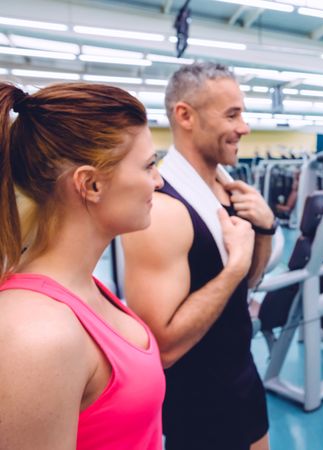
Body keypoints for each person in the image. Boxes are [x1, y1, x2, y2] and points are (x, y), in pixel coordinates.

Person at [0, 82, 165, 449]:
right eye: (149, 166)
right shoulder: (36, 337)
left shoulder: (83, 287)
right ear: (90, 185)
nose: (158, 180)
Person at [121, 62, 275, 450]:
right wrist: (236, 265)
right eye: (232, 114)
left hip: (244, 377)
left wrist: (266, 229)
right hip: (197, 405)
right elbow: (164, 347)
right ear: (185, 115)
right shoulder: (162, 209)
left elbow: (248, 284)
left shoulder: (229, 190)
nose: (245, 127)